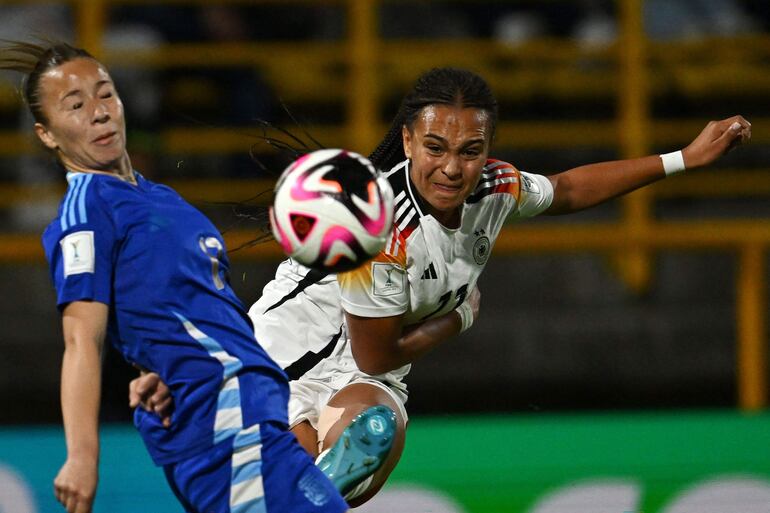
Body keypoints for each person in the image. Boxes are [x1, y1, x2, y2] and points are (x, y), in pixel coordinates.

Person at [133, 67, 751, 506]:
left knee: (373, 439)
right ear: (407, 141)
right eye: (434, 147)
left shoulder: (494, 188)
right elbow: (379, 350)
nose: (452, 166)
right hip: (283, 366)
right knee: (298, 489)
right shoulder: (382, 232)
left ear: (488, 152)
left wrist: (681, 159)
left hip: (368, 374)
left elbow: (565, 189)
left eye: (470, 150)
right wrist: (459, 321)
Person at [0, 41, 396, 513]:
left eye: (105, 94)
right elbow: (81, 340)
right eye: (76, 105)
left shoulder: (161, 199)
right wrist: (82, 456)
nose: (99, 113)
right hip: (219, 419)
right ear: (46, 134)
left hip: (252, 410)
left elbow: (184, 310)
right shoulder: (87, 211)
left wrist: (162, 368)